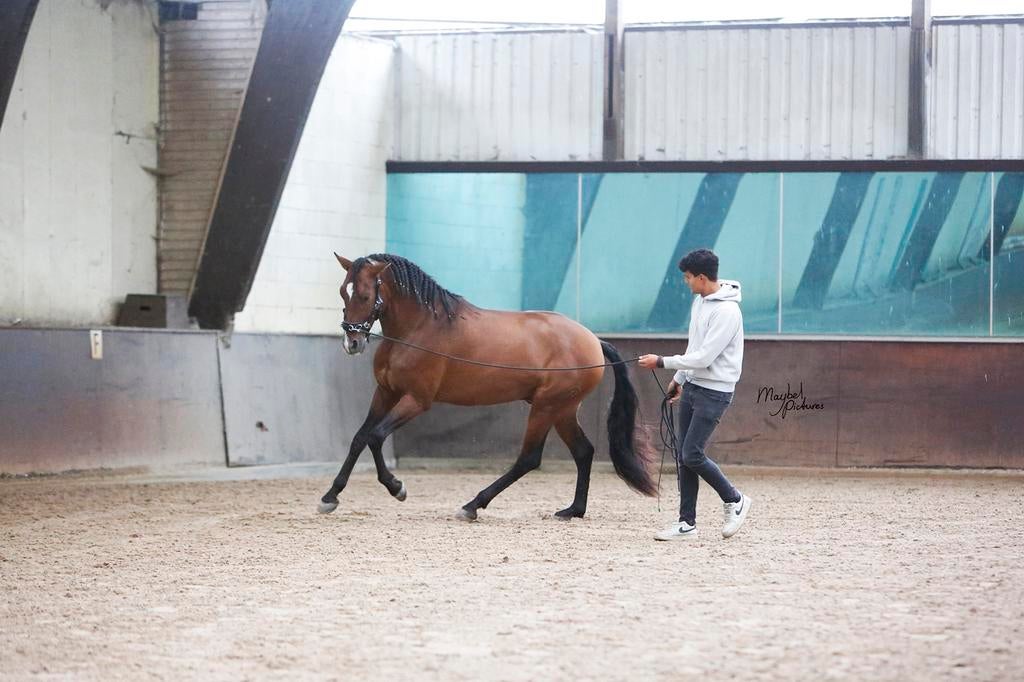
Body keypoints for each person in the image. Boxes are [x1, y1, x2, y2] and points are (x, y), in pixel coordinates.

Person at [638, 248, 752, 541]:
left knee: (692, 453)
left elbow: (704, 357)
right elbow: (694, 347)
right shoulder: (700, 303)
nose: (686, 282)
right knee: (683, 456)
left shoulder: (727, 312)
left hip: (715, 392)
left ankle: (735, 499)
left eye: (688, 278)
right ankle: (686, 523)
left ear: (702, 278)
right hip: (693, 387)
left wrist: (662, 362)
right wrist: (678, 379)